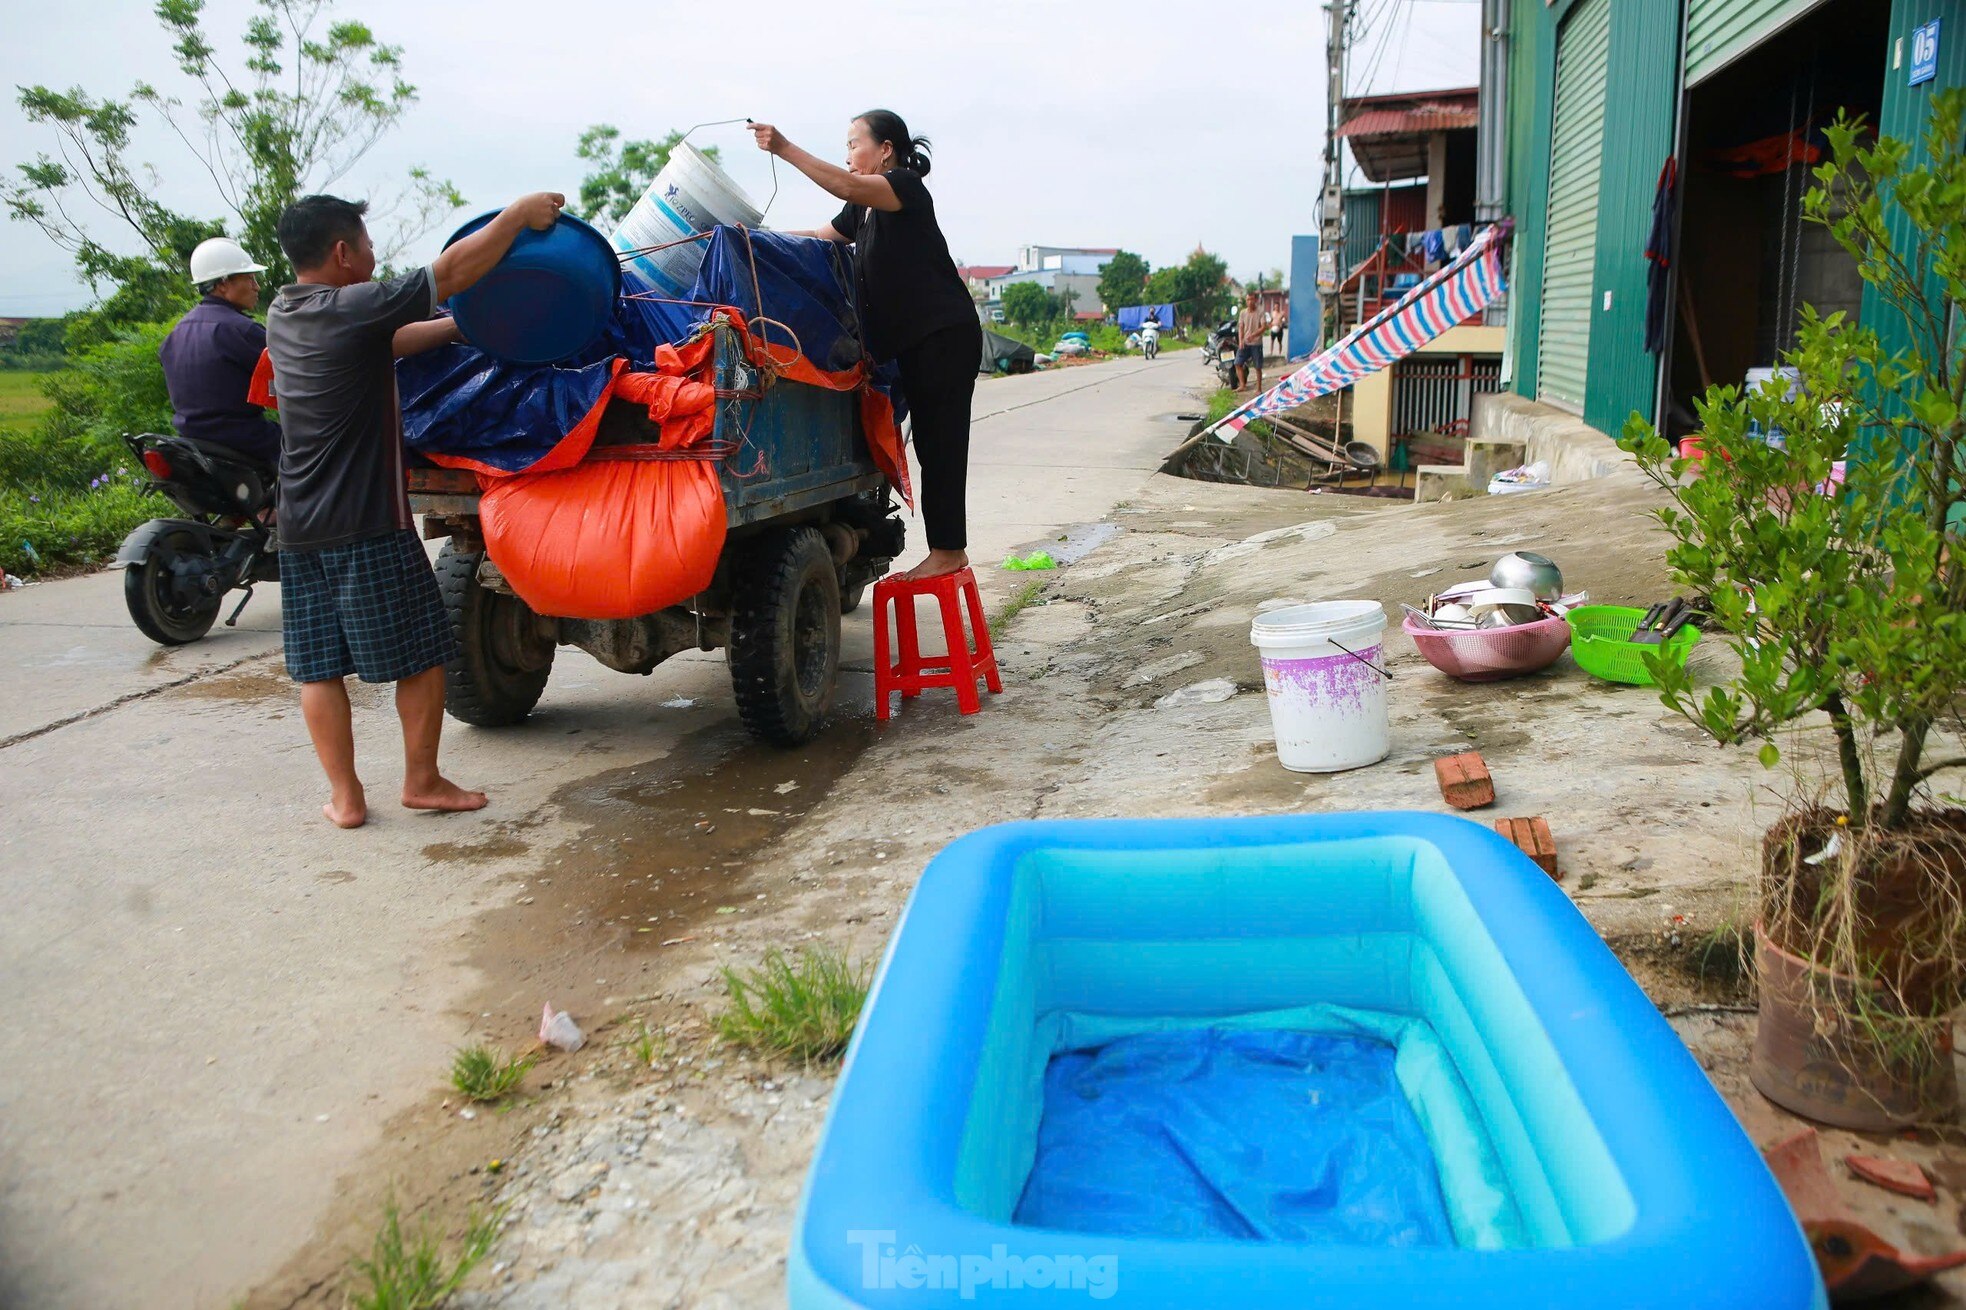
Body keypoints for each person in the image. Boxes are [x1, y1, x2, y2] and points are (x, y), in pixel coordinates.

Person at [265, 190, 564, 828]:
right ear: (343, 253)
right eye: (368, 243)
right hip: (366, 519)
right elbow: (450, 274)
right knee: (426, 652)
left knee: (317, 667)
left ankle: (346, 800)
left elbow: (391, 343)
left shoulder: (286, 311)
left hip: (298, 524)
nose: (374, 254)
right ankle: (422, 781)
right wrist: (515, 215)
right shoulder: (354, 304)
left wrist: (465, 327)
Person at [751, 110, 982, 581]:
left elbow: (847, 185)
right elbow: (821, 236)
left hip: (943, 335)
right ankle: (946, 548)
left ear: (886, 150)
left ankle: (948, 551)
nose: (849, 156)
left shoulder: (902, 187)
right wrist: (755, 236)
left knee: (942, 445)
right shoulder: (865, 209)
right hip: (916, 343)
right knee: (931, 448)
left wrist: (785, 148)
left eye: (855, 144)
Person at [157, 237, 282, 468]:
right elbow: (285, 380)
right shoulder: (242, 330)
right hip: (243, 438)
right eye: (250, 278)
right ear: (223, 284)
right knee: (316, 446)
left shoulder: (176, 333)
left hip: (191, 440)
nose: (257, 287)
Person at [1234, 290, 1271, 391]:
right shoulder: (1242, 313)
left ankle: (1259, 389)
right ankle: (1242, 385)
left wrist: (1253, 335)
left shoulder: (1260, 312)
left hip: (1256, 344)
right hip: (1245, 343)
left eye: (1252, 299)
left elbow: (1263, 327)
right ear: (1246, 301)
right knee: (1237, 363)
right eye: (1248, 299)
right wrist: (1241, 341)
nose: (1250, 301)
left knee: (1258, 367)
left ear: (1255, 300)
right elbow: (1241, 327)